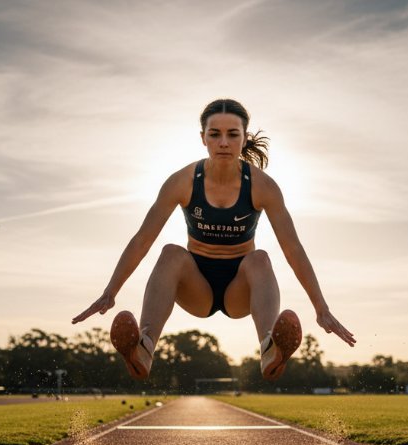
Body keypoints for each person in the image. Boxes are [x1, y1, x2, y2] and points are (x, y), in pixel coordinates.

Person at [72, 98, 355, 381]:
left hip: (240, 290)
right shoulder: (182, 181)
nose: (223, 142)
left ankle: (271, 349)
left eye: (233, 134)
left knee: (260, 258)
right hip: (197, 288)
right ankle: (143, 349)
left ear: (244, 138)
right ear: (203, 138)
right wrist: (110, 291)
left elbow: (293, 249)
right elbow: (142, 240)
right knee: (171, 252)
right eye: (215, 134)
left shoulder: (262, 187)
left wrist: (321, 308)